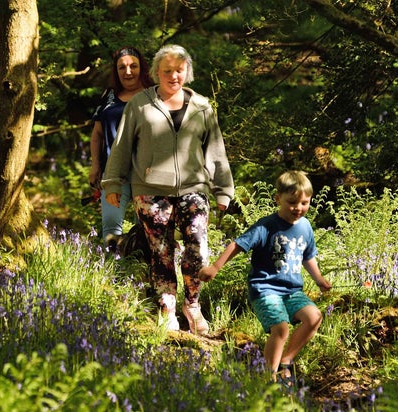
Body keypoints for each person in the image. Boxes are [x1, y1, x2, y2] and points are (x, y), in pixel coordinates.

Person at [102, 44, 234, 334]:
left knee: (197, 247)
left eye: (179, 70)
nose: (173, 76)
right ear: (156, 73)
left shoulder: (202, 106)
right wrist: (112, 182)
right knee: (160, 252)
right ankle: (167, 309)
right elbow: (122, 146)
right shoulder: (140, 104)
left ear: (187, 71)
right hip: (150, 190)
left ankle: (193, 304)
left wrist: (223, 190)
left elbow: (215, 150)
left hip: (194, 188)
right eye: (167, 71)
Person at [198, 170, 332, 385]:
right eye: (292, 202)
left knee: (314, 317)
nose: (298, 208)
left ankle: (286, 361)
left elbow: (308, 256)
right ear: (278, 199)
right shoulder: (266, 226)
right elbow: (238, 244)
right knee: (281, 328)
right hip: (265, 289)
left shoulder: (305, 227)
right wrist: (215, 267)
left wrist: (319, 280)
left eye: (304, 203)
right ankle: (268, 378)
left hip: (291, 291)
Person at [89, 46, 155, 252]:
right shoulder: (109, 95)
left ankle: (144, 276)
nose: (128, 72)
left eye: (133, 66)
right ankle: (113, 276)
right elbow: (97, 134)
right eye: (122, 67)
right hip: (114, 173)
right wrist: (95, 165)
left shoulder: (153, 94)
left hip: (146, 174)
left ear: (141, 68)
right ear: (116, 71)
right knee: (110, 228)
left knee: (147, 229)